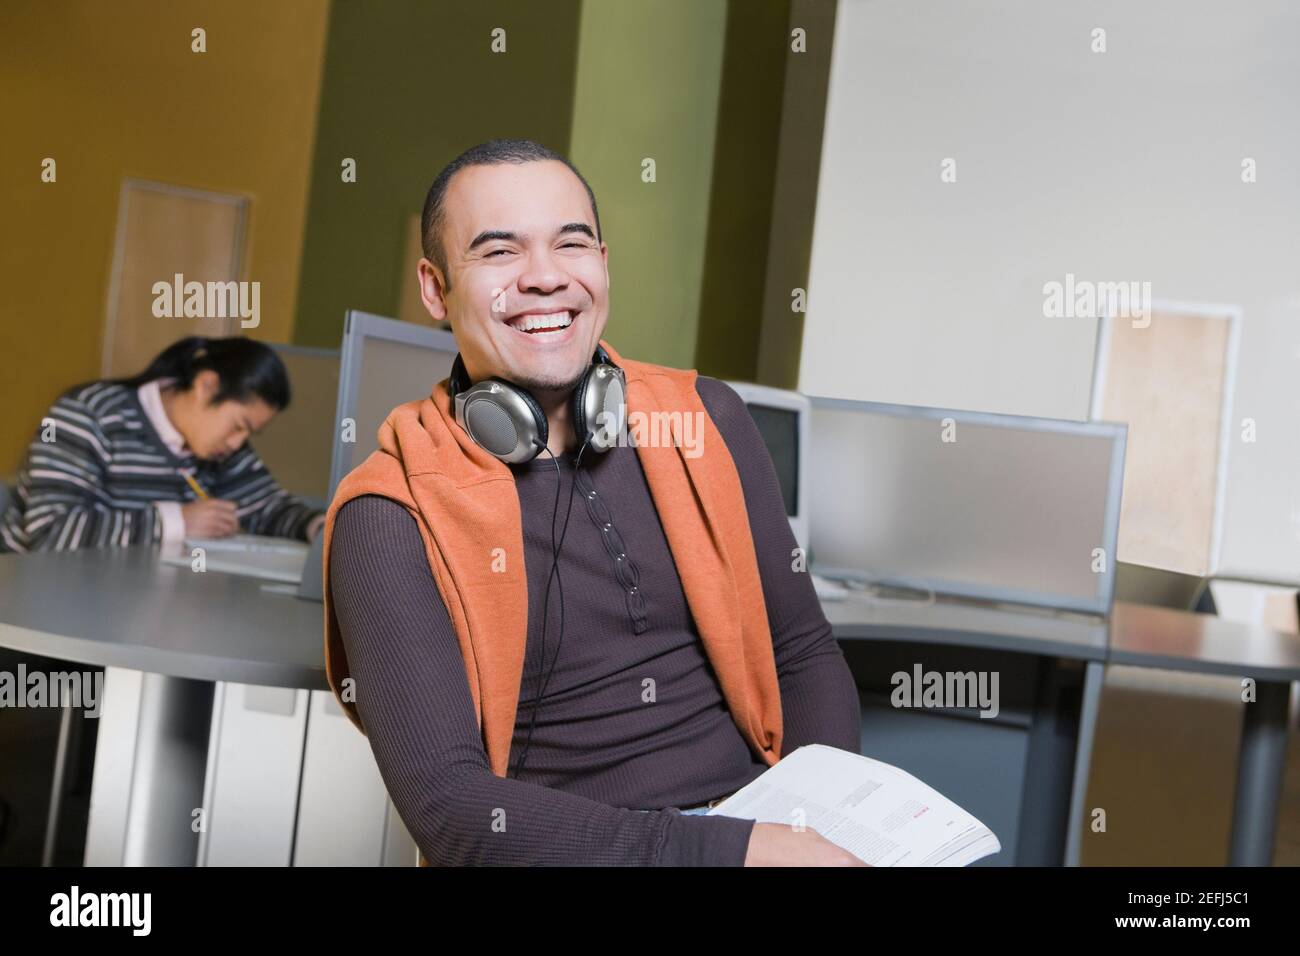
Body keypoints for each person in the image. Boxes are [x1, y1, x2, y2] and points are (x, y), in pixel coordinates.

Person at [325, 139, 865, 867]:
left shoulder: (706, 418)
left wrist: (814, 824)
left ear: (602, 264)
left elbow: (800, 650)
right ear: (434, 287)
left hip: (759, 829)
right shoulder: (389, 512)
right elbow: (450, 808)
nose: (545, 278)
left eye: (570, 244)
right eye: (499, 252)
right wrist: (734, 854)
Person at [0, 335, 326, 553]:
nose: (238, 443)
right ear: (206, 386)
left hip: (128, 605)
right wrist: (176, 522)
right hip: (36, 616)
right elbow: (50, 533)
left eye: (249, 435)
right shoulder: (84, 414)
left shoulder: (220, 448)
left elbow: (266, 507)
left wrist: (316, 527)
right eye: (238, 426)